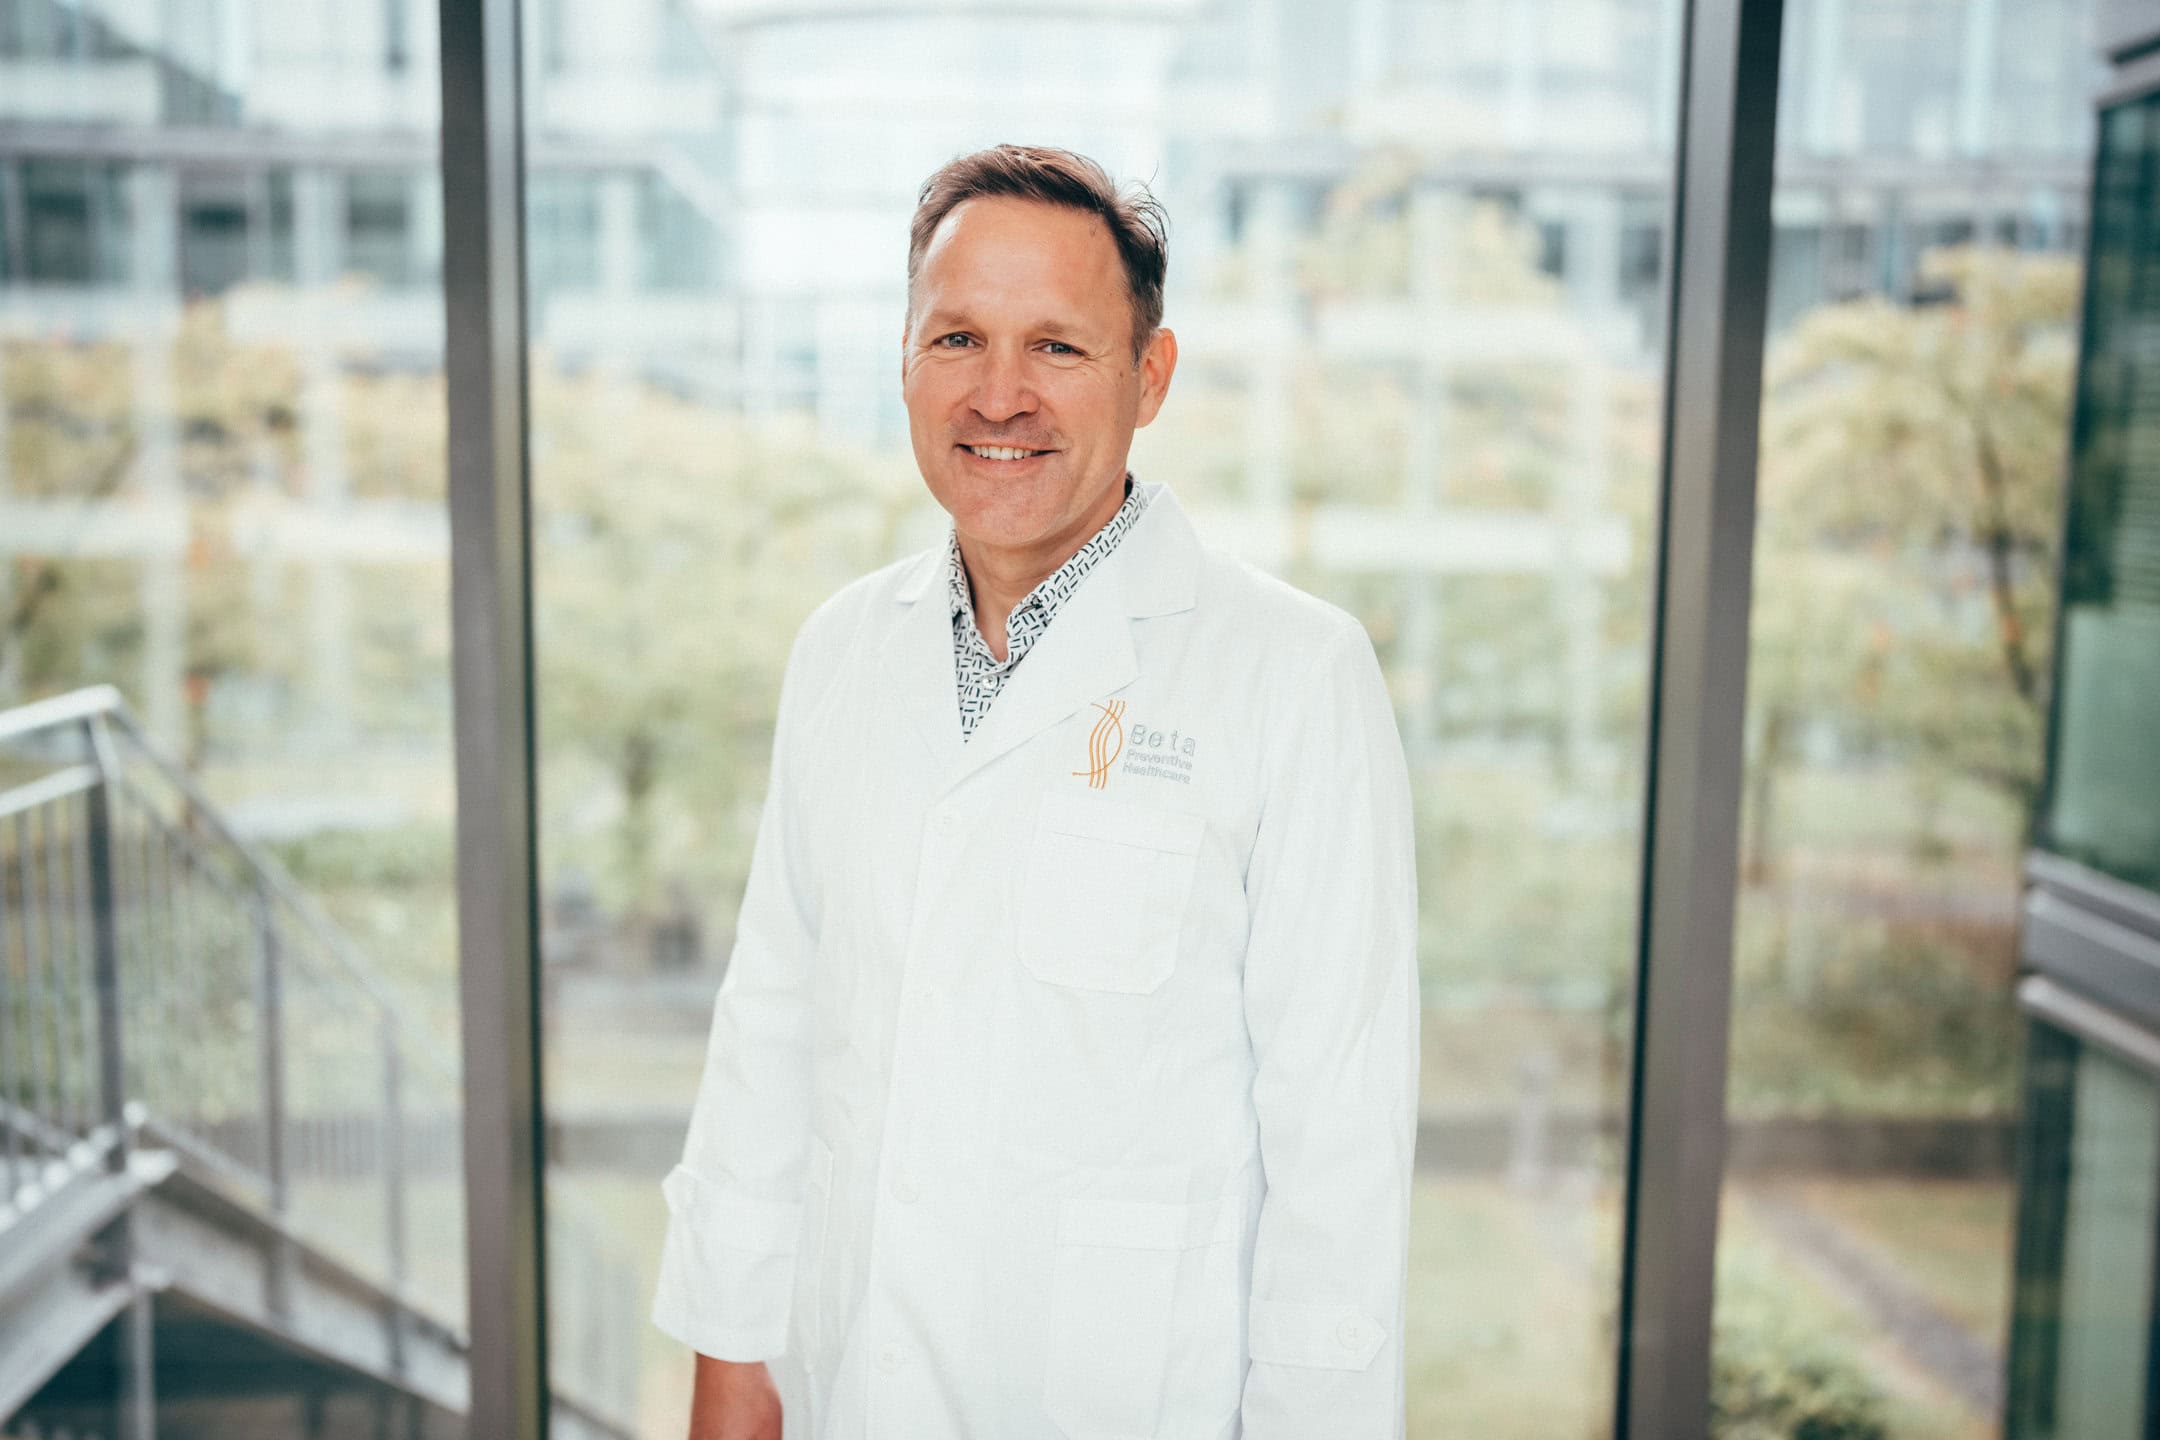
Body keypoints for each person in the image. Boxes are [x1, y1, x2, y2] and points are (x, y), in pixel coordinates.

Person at [652, 143, 1418, 1440]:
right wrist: (732, 1359)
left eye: (1057, 347)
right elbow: (769, 1033)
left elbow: (1338, 1159)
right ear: (904, 361)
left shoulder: (1295, 675)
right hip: (853, 1389)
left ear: (1150, 376)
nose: (999, 396)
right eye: (957, 338)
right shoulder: (843, 650)